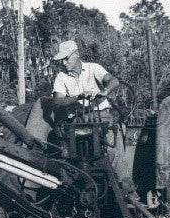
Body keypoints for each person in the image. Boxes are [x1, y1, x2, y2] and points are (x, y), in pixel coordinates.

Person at [50, 40, 132, 187]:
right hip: (77, 125)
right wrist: (79, 97)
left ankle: (126, 190)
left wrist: (103, 92)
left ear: (77, 54)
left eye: (66, 58)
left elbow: (114, 81)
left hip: (102, 120)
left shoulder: (93, 68)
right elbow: (57, 102)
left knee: (114, 155)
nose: (63, 63)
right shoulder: (61, 78)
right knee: (69, 157)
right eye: (61, 59)